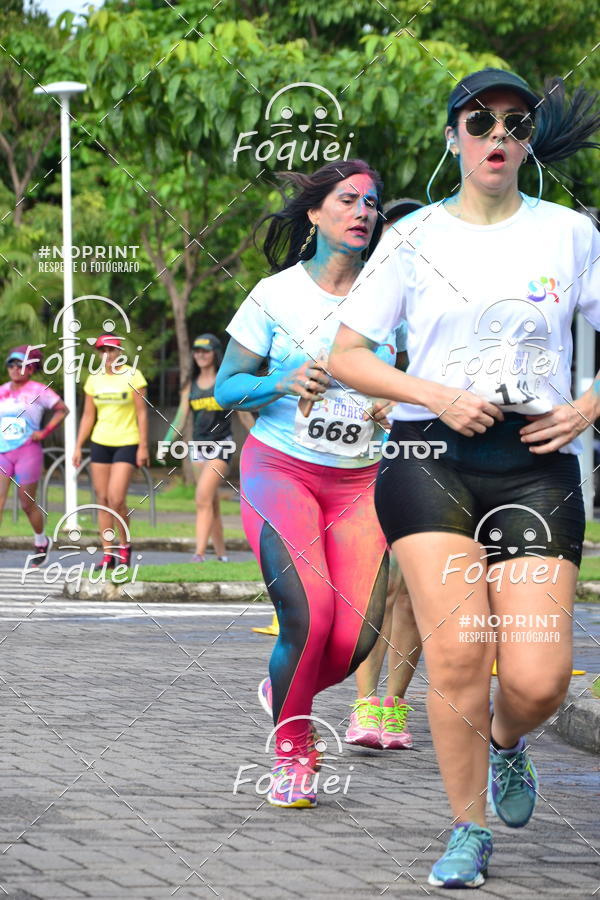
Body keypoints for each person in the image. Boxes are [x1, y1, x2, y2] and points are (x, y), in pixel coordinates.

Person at [330, 69, 600, 887]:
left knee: (537, 677)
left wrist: (588, 408)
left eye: (515, 124)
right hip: (426, 457)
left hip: (536, 464)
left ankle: (510, 744)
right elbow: (347, 355)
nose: (497, 135)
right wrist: (435, 393)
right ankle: (466, 828)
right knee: (456, 656)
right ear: (453, 136)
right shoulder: (413, 240)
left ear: (526, 142)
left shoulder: (572, 235)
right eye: (480, 121)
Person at [215, 160, 398, 808]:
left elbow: (412, 379)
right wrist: (281, 381)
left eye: (371, 204)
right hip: (282, 469)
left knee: (355, 640)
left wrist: (392, 403)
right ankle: (294, 748)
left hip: (358, 483)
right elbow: (224, 387)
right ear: (316, 214)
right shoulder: (276, 294)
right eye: (348, 200)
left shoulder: (390, 296)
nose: (363, 212)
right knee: (310, 617)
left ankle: (282, 687)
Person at [346, 198, 424, 751]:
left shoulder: (450, 300)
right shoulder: (360, 298)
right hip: (357, 460)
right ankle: (363, 705)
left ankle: (395, 706)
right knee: (375, 586)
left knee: (412, 589)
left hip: (428, 455)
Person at [163, 333, 254, 562]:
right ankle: (222, 555)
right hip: (197, 447)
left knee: (202, 497)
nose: (200, 355)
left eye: (205, 350)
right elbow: (180, 418)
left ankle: (199, 554)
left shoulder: (224, 385)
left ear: (215, 353)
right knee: (210, 501)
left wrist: (259, 441)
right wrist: (165, 443)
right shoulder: (190, 386)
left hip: (221, 447)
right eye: (197, 350)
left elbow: (244, 418)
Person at [73, 334, 148, 568]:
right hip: (100, 442)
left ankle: (125, 545)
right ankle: (108, 554)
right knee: (103, 500)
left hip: (127, 441)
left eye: (112, 350)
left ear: (120, 352)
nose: (108, 355)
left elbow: (142, 413)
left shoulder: (133, 375)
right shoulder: (94, 379)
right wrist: (78, 445)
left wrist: (143, 446)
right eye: (103, 351)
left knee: (117, 499)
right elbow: (88, 415)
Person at [0, 345, 67, 565]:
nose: (15, 368)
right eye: (12, 364)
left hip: (27, 450)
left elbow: (62, 409)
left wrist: (44, 432)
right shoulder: (2, 391)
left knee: (26, 503)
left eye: (21, 365)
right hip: (3, 451)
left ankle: (41, 541)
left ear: (30, 369)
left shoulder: (39, 389)